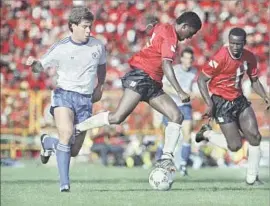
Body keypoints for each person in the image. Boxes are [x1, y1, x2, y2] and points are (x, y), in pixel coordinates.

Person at [76, 11, 202, 172]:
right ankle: (78, 128)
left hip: (153, 83)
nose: (190, 37)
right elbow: (166, 65)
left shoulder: (164, 26)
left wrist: (150, 22)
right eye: (191, 33)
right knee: (117, 117)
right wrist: (179, 91)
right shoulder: (171, 37)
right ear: (184, 26)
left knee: (176, 116)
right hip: (141, 77)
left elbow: (154, 25)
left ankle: (166, 158)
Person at [25, 7, 106, 192]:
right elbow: (40, 67)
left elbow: (102, 66)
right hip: (64, 95)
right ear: (73, 26)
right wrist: (33, 65)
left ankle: (47, 143)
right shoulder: (61, 47)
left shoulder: (97, 46)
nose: (89, 30)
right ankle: (64, 184)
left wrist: (100, 86)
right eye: (85, 26)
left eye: (90, 26)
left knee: (74, 150)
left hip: (85, 100)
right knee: (67, 134)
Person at [196, 27, 270, 185]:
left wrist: (265, 97)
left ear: (244, 43)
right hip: (221, 103)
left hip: (239, 100)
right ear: (228, 42)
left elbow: (254, 80)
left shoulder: (249, 57)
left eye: (238, 44)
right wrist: (209, 103)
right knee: (235, 146)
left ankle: (252, 178)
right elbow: (201, 80)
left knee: (255, 137)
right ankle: (207, 134)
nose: (235, 47)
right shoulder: (220, 57)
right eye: (232, 43)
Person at [162, 47, 198, 176]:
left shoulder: (194, 72)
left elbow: (195, 88)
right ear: (182, 58)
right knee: (167, 136)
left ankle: (183, 164)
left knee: (187, 134)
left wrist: (193, 94)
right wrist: (179, 93)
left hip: (186, 106)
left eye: (190, 58)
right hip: (171, 105)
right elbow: (164, 86)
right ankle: (163, 162)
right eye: (186, 58)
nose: (188, 61)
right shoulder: (175, 70)